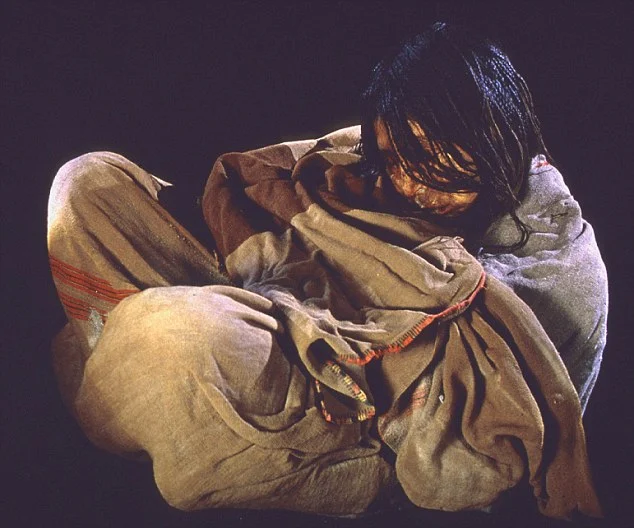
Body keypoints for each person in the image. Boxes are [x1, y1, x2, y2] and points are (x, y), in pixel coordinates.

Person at [47, 22, 606, 519]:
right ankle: (163, 394)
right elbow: (260, 188)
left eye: (433, 162)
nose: (410, 185)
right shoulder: (371, 163)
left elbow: (462, 419)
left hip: (353, 401)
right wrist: (293, 274)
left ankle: (146, 394)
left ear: (494, 138)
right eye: (395, 159)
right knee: (90, 186)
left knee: (168, 333)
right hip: (283, 305)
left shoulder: (558, 258)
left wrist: (331, 298)